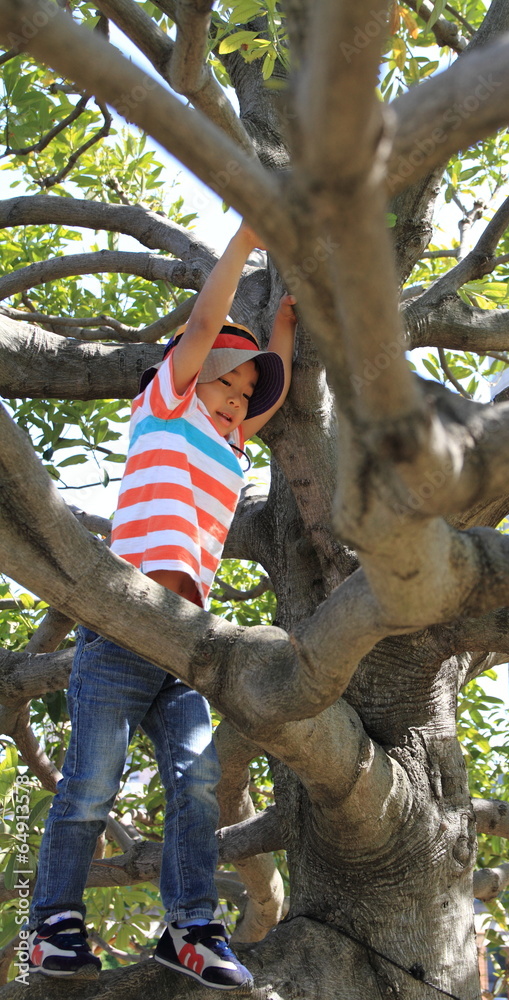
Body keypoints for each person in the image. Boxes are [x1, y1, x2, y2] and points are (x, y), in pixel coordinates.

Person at [27, 222, 297, 990]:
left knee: (197, 786)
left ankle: (190, 927)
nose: (237, 399)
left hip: (183, 641)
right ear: (190, 374)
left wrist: (285, 325)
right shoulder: (167, 406)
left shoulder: (230, 442)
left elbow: (273, 385)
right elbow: (205, 326)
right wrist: (244, 242)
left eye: (244, 394)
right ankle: (53, 925)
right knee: (92, 782)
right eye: (227, 383)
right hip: (126, 623)